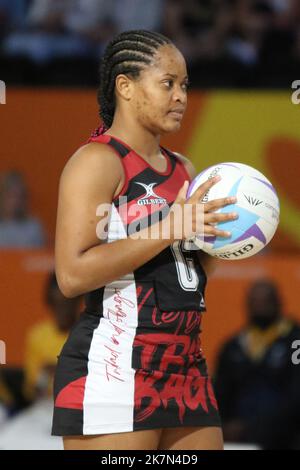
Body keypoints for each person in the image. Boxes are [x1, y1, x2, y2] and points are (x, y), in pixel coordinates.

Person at [51, 29, 238, 450]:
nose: (181, 97)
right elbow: (71, 274)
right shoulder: (97, 162)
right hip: (115, 368)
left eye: (185, 85)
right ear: (126, 87)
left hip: (186, 368)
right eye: (167, 83)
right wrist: (170, 227)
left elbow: (188, 270)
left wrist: (224, 241)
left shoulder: (185, 170)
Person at [214, 279, 300, 449]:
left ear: (277, 301)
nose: (259, 307)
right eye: (254, 302)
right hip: (237, 438)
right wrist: (223, 425)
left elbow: (296, 395)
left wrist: (254, 426)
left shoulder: (295, 340)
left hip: (285, 437)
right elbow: (220, 391)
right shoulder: (233, 346)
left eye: (265, 301)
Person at [23, 272, 81, 402]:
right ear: (50, 302)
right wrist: (44, 374)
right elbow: (32, 390)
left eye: (67, 304)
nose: (62, 312)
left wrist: (59, 370)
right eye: (57, 305)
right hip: (46, 405)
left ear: (78, 302)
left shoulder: (88, 334)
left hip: (78, 405)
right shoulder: (37, 335)